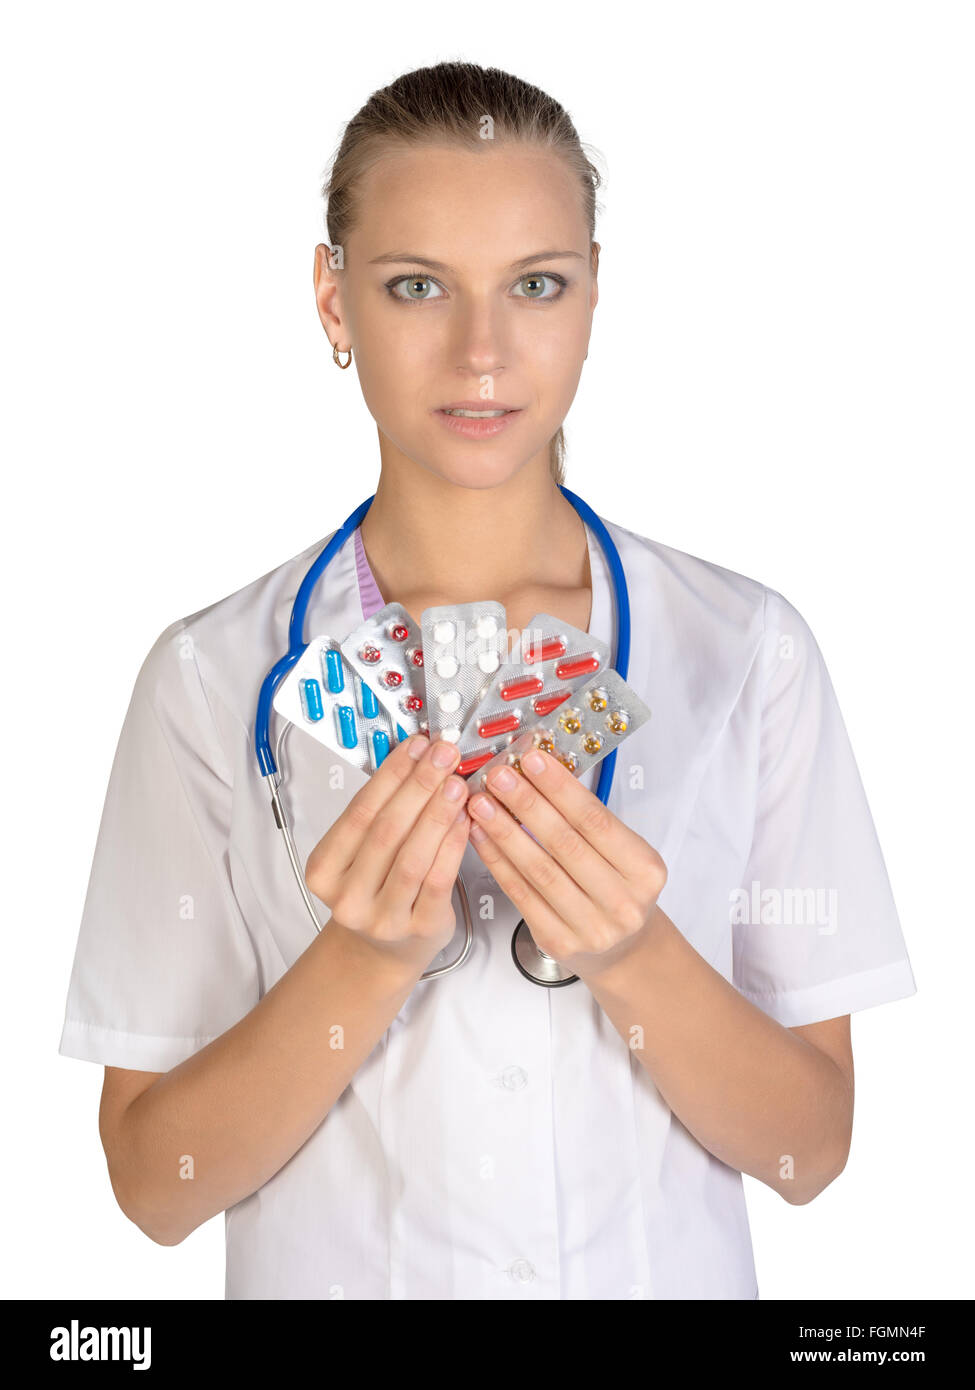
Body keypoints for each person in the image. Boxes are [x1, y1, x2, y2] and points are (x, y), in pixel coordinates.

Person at [58, 60, 916, 1301]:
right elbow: (154, 1187)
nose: (481, 351)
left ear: (593, 298)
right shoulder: (208, 679)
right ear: (331, 298)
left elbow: (811, 1151)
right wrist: (359, 962)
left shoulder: (748, 653)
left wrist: (633, 953)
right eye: (416, 286)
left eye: (536, 285)